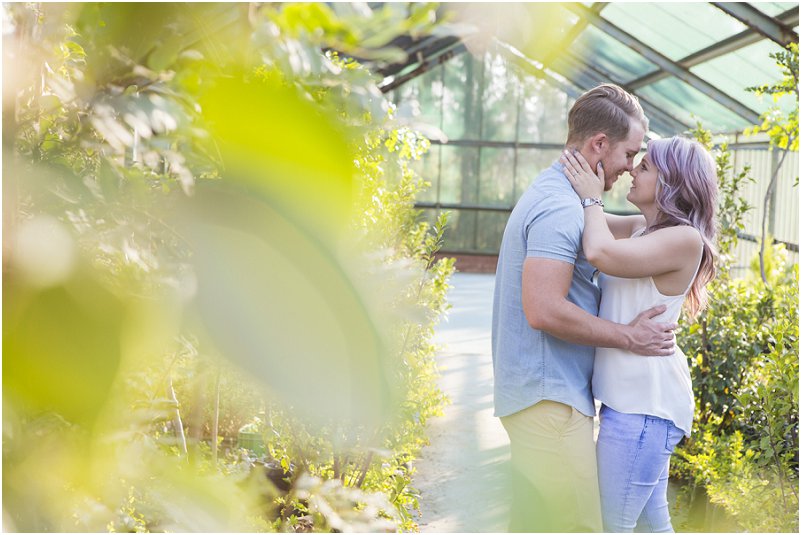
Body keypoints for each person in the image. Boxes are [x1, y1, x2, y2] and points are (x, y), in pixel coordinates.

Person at [491, 83, 678, 533]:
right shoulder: (561, 207)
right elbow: (543, 310)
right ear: (599, 145)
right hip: (548, 400)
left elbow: (633, 230)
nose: (630, 168)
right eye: (629, 154)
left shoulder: (565, 197)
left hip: (543, 398)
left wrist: (682, 221)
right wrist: (630, 336)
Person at [560, 136, 717, 532]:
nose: (632, 169)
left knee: (610, 526)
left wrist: (593, 196)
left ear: (672, 183)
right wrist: (578, 175)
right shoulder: (638, 229)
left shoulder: (684, 239)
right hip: (631, 406)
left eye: (644, 167)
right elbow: (579, 221)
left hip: (644, 408)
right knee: (651, 525)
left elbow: (599, 251)